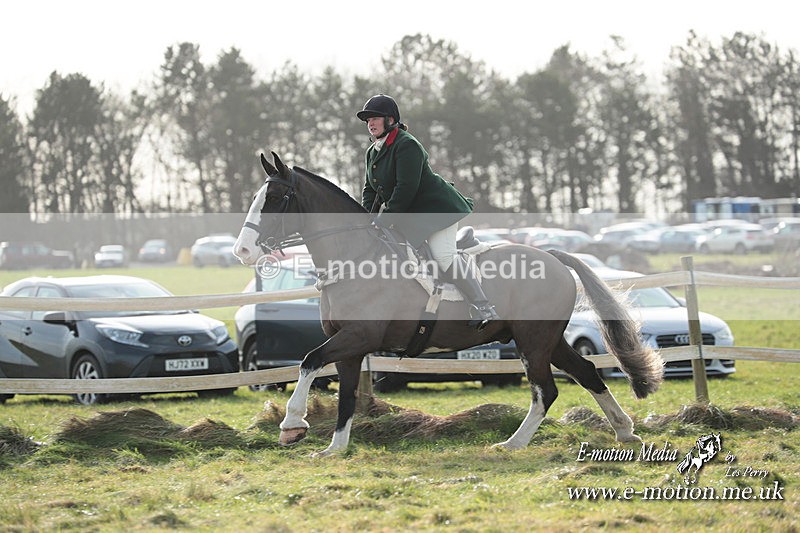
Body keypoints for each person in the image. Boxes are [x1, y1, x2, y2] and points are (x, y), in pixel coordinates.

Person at [357, 94, 499, 329]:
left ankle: (483, 306)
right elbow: (370, 190)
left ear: (390, 119)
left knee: (443, 255)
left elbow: (406, 189)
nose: (370, 124)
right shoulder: (373, 152)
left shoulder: (406, 144)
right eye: (367, 120)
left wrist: (383, 219)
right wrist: (365, 218)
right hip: (412, 216)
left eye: (375, 119)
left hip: (436, 210)